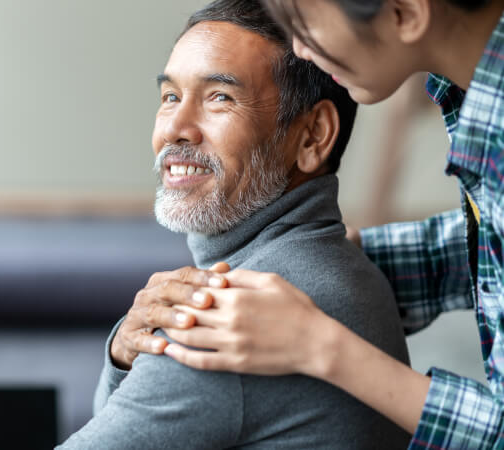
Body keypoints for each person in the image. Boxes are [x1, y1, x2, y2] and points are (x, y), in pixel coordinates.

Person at [111, 0, 504, 448]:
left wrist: (322, 345)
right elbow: (491, 235)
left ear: (405, 12)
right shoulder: (469, 96)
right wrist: (339, 271)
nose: (301, 46)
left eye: (306, 19)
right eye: (170, 96)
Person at [59, 1, 411, 448]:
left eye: (219, 97)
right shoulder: (342, 268)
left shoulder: (234, 319)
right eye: (170, 97)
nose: (176, 129)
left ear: (312, 135)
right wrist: (124, 356)